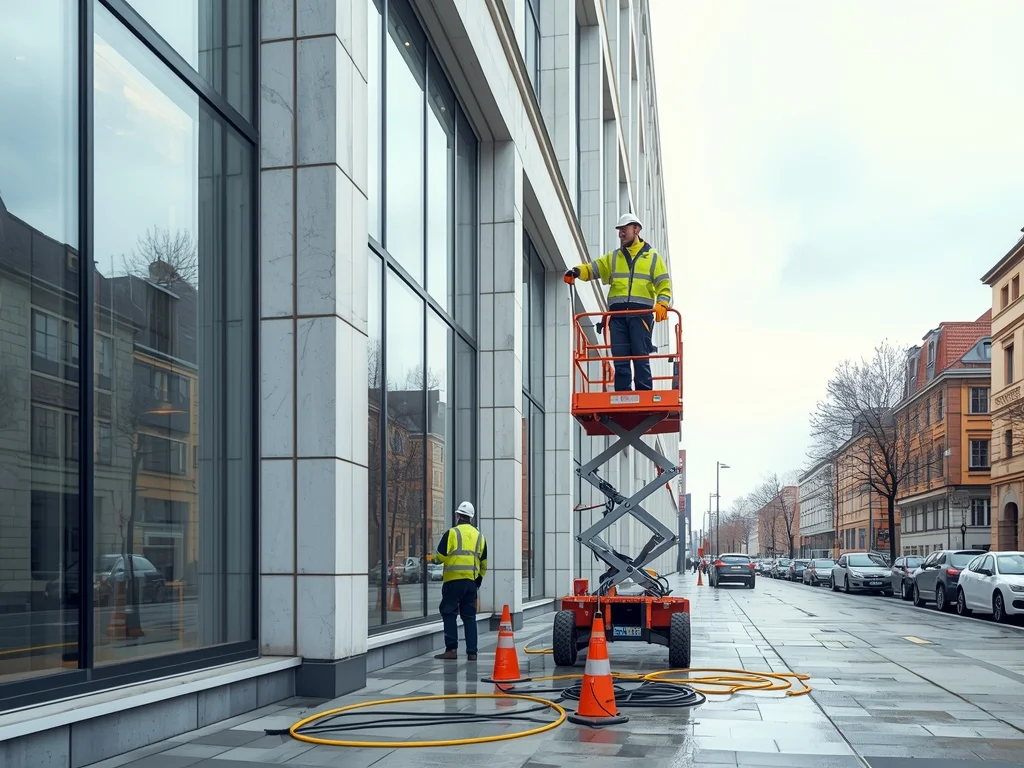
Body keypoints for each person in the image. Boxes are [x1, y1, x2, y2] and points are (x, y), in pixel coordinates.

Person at [564, 213, 672, 391]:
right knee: (620, 360)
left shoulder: (653, 257)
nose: (621, 233)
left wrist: (662, 304)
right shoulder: (613, 258)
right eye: (619, 230)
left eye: (624, 229)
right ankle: (623, 395)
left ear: (636, 230)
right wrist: (576, 272)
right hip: (618, 317)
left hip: (641, 316)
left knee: (640, 357)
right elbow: (593, 269)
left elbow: (663, 283)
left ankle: (644, 393)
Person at [433, 501, 488, 661]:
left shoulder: (451, 533)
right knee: (469, 616)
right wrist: (477, 581)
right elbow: (484, 564)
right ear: (471, 517)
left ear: (458, 515)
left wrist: (431, 559)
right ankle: (472, 652)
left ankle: (451, 650)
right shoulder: (480, 537)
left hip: (453, 582)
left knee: (449, 613)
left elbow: (441, 557)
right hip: (471, 583)